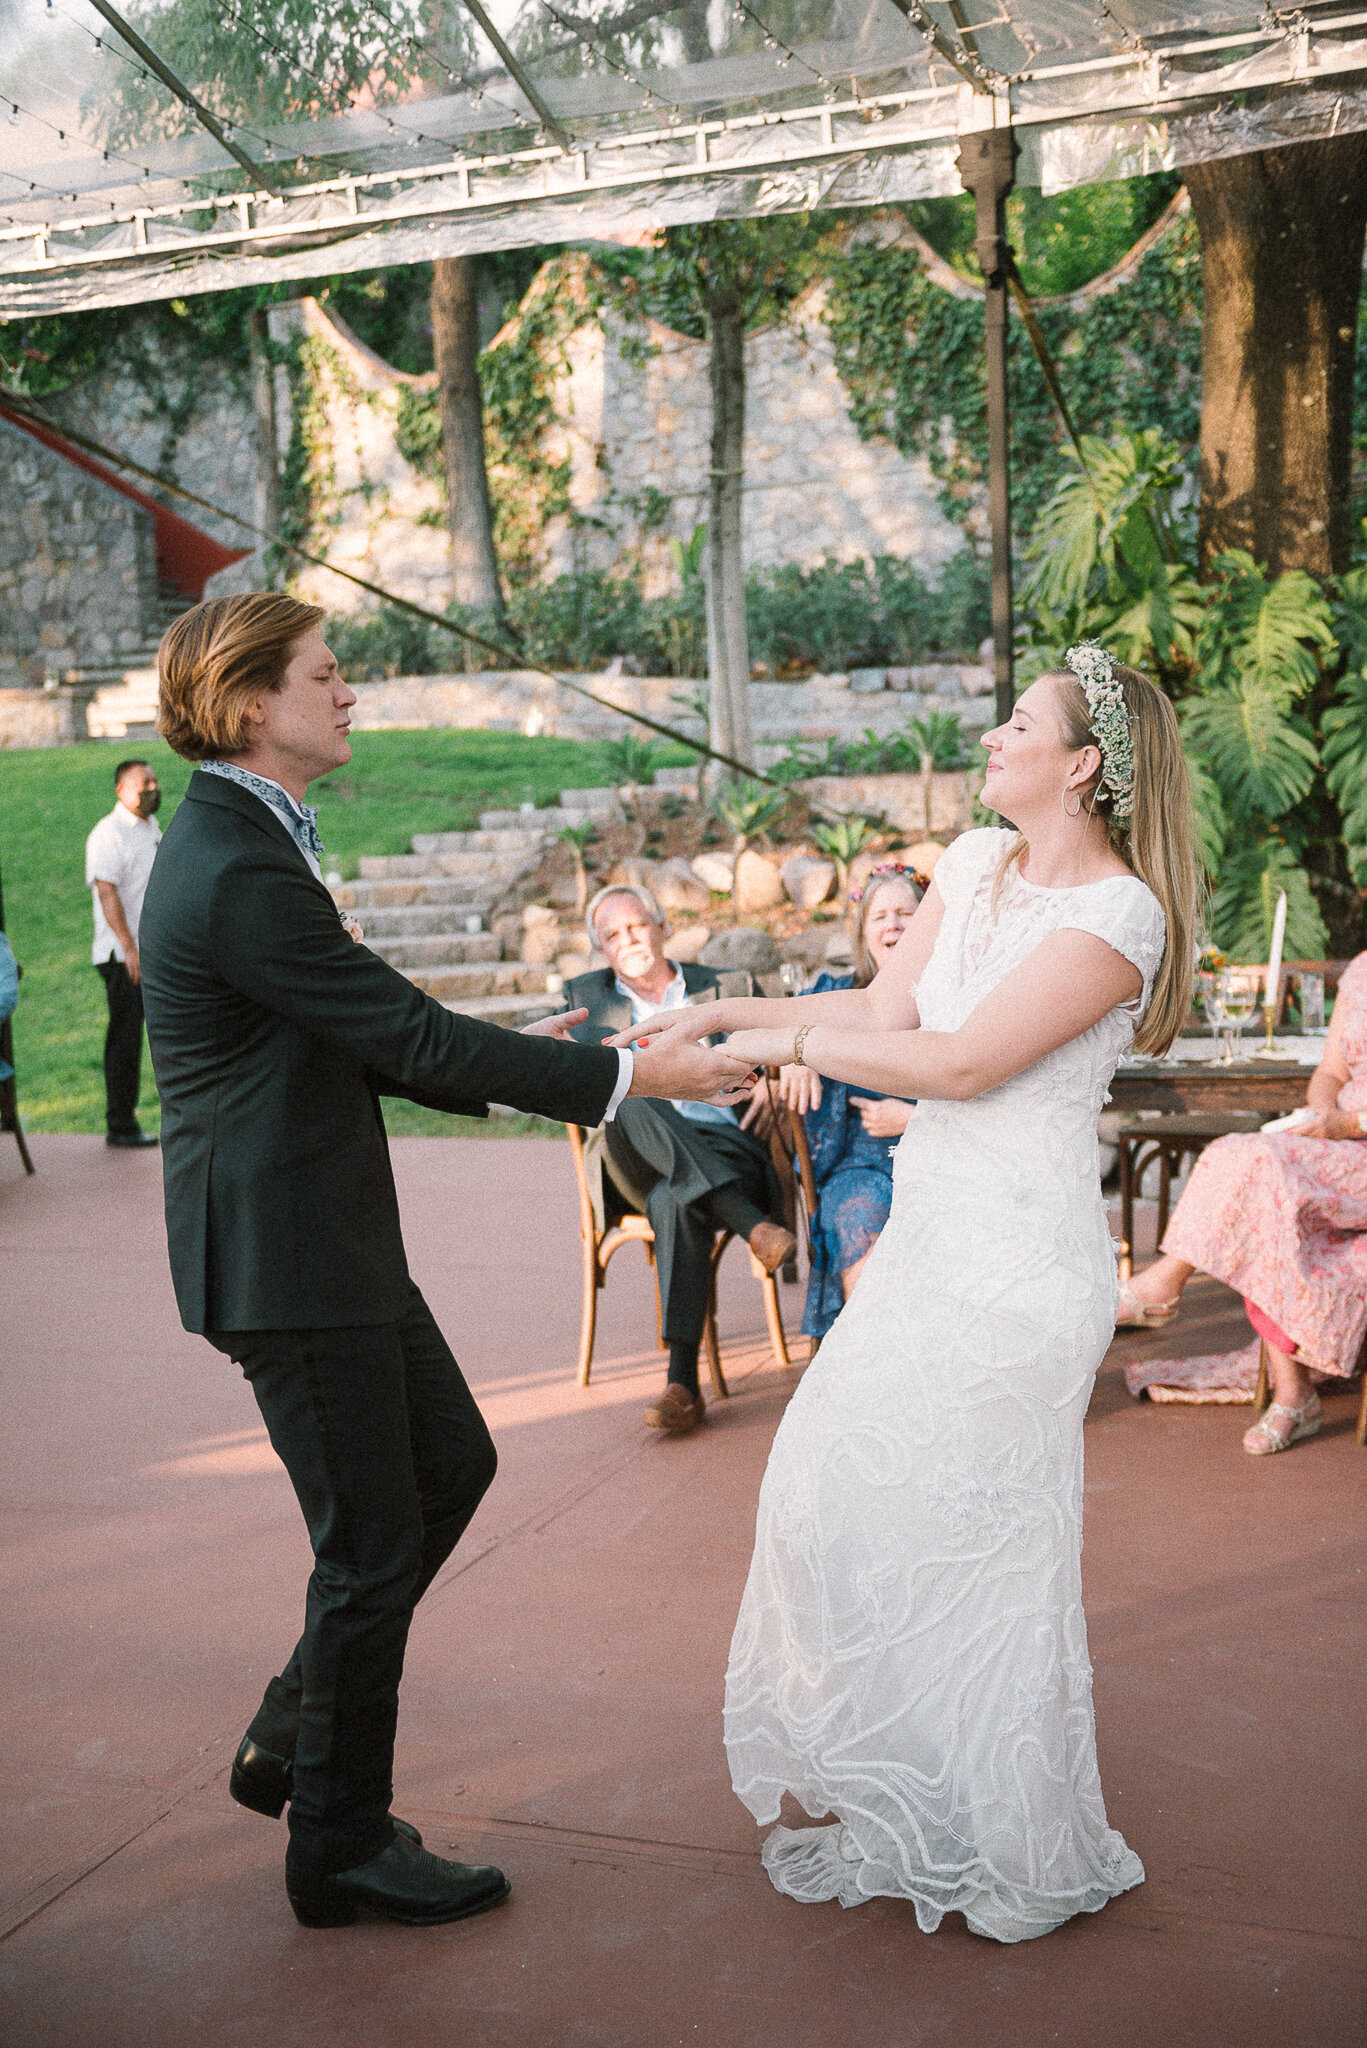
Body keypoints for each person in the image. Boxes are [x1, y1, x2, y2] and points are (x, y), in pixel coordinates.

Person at [137, 593, 752, 1932]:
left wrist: (521, 1048)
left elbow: (367, 1034)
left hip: (321, 1242)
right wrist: (626, 1071)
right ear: (251, 706)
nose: (348, 693)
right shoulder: (237, 863)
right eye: (326, 674)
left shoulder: (249, 841)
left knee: (448, 1468)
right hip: (286, 1258)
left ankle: (293, 1734)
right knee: (367, 1545)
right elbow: (404, 1039)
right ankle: (336, 1842)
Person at [619, 644, 1197, 1941]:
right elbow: (880, 1000)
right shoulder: (972, 867)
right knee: (825, 1498)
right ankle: (918, 1798)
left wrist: (758, 1044)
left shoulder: (1119, 918)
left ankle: (1024, 1843)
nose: (990, 738)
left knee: (984, 1551)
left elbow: (959, 1062)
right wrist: (718, 1013)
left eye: (1016, 724)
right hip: (932, 1243)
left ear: (1083, 765)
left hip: (1019, 1267)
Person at [565, 883, 797, 1436]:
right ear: (602, 951)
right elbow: (571, 1088)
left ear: (663, 926)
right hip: (633, 1154)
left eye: (638, 925)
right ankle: (752, 1224)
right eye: (614, 935)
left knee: (676, 1197)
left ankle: (681, 1384)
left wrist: (774, 1076)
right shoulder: (583, 1003)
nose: (629, 940)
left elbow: (789, 1039)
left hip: (726, 1141)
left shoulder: (725, 986)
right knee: (625, 1081)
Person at [1117, 951, 1367, 1455]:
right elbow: (1331, 1073)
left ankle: (1163, 1283)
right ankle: (1294, 1395)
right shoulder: (1361, 969)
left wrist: (1351, 1124)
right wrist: (1320, 1114)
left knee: (1248, 1161)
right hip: (1335, 1149)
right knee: (1260, 1187)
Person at [776, 865, 922, 1344]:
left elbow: (992, 1091)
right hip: (858, 1165)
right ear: (863, 932)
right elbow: (786, 1024)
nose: (893, 925)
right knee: (859, 1209)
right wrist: (796, 1051)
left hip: (942, 1154)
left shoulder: (954, 999)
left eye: (905, 913)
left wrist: (915, 1119)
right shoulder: (835, 994)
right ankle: (871, 1358)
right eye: (879, 916)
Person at [84, 757, 162, 1148]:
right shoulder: (108, 832)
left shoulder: (150, 828)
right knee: (126, 1038)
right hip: (121, 957)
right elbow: (106, 890)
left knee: (161, 1035)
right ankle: (120, 1124)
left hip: (152, 953)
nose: (152, 787)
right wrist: (130, 948)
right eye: (142, 782)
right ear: (120, 790)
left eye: (154, 780)